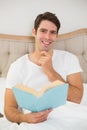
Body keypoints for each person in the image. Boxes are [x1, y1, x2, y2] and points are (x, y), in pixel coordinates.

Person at [4, 12, 83, 124]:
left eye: (52, 32)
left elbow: (77, 99)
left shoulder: (69, 59)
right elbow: (9, 109)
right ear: (34, 32)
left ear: (56, 36)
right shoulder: (17, 66)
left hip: (69, 119)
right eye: (43, 31)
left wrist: (50, 71)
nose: (47, 37)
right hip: (36, 122)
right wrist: (25, 118)